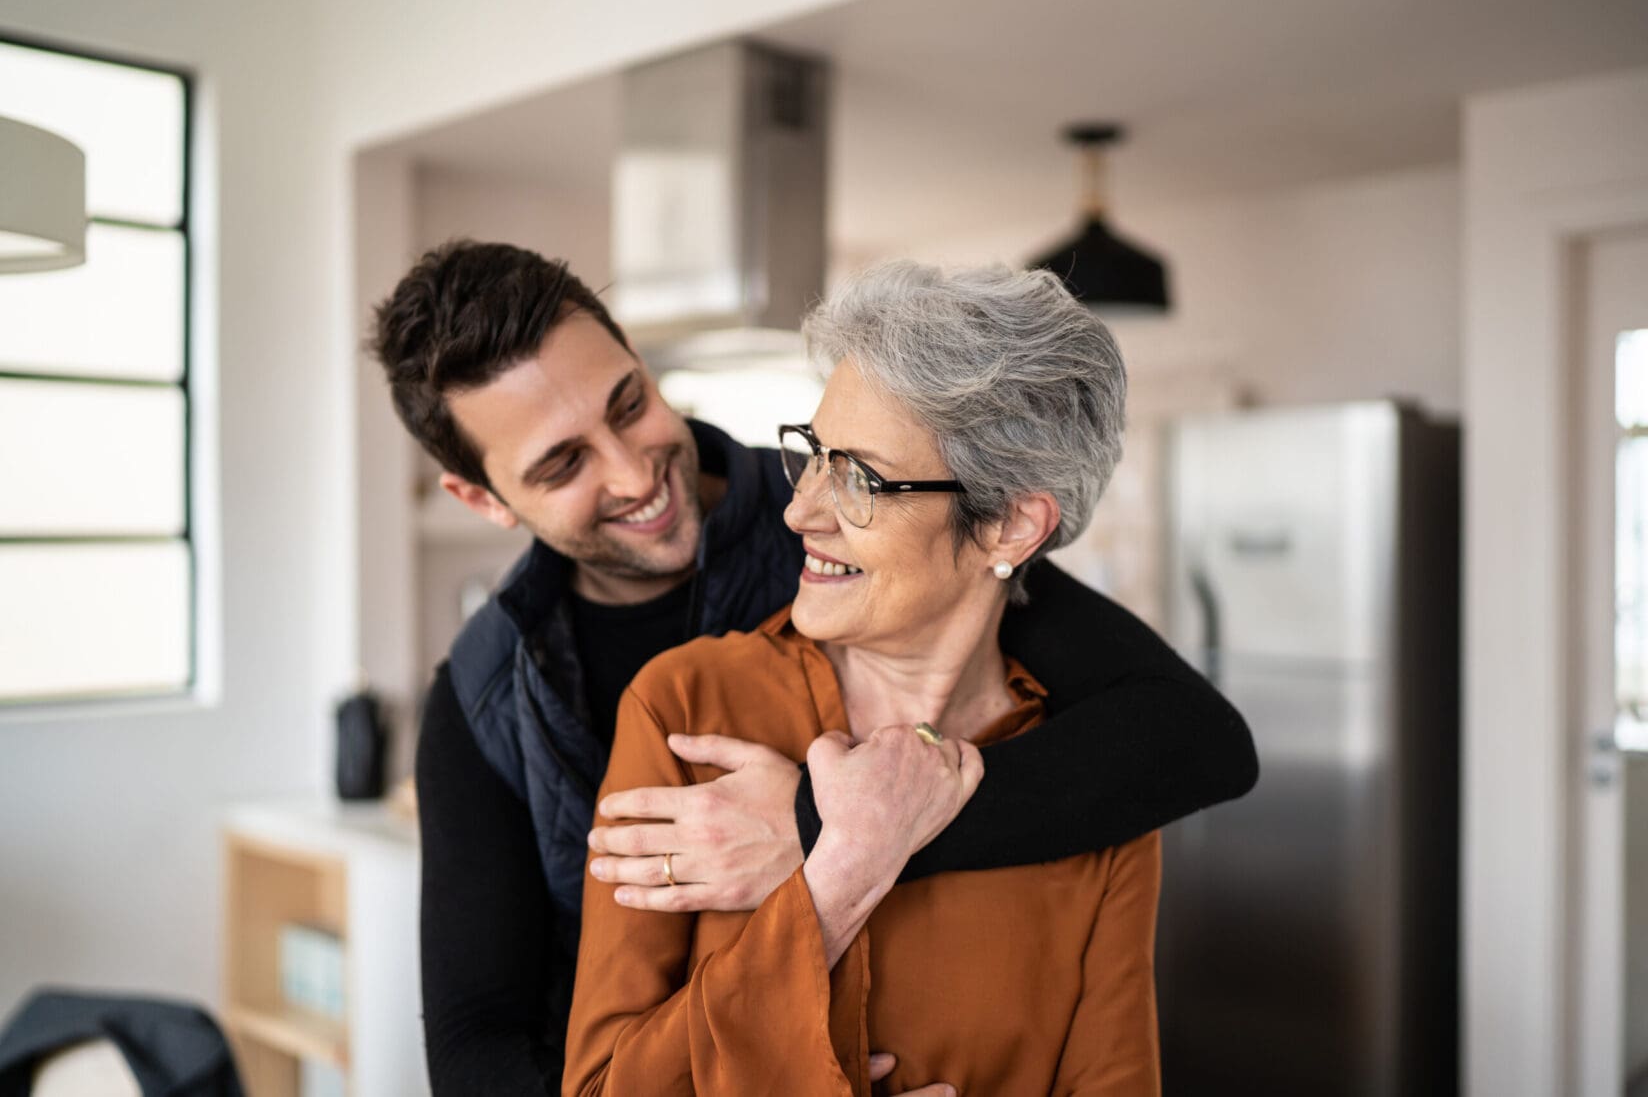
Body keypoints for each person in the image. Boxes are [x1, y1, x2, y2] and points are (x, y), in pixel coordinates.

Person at [369, 242, 1256, 1095]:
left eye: (630, 403)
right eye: (563, 463)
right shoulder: (501, 695)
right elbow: (478, 1038)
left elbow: (1192, 737)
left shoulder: (890, 538)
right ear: (483, 499)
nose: (636, 471)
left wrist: (825, 826)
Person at [565, 261, 1172, 1096]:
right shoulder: (688, 704)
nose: (801, 511)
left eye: (862, 478)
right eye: (814, 457)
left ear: (1008, 525)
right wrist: (838, 873)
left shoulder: (1104, 794)